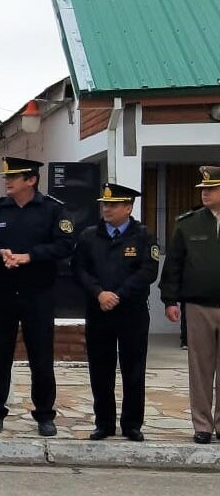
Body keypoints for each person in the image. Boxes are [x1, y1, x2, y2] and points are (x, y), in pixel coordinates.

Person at [0, 157, 75, 437]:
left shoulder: (52, 210)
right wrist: (0, 253)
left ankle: (44, 414)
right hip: (2, 294)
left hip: (38, 293)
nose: (7, 180)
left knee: (41, 356)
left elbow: (66, 244)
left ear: (31, 180)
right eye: (7, 176)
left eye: (14, 177)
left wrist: (31, 256)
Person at [72, 183, 157, 442]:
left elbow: (147, 271)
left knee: (133, 368)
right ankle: (104, 422)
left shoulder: (142, 235)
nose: (106, 208)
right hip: (99, 311)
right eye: (104, 204)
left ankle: (132, 424)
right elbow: (79, 269)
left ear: (128, 208)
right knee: (101, 370)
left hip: (131, 311)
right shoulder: (88, 236)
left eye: (113, 204)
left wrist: (118, 294)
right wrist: (99, 293)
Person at [160, 166, 220, 445]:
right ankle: (203, 425)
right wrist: (170, 299)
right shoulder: (188, 223)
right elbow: (173, 264)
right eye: (203, 189)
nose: (205, 193)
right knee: (200, 367)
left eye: (211, 188)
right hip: (198, 306)